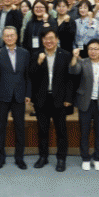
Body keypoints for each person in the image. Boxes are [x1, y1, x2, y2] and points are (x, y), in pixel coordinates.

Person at [29, 28, 73, 172]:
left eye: (51, 38)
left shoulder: (65, 55)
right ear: (42, 40)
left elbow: (70, 79)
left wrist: (68, 98)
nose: (49, 41)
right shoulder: (36, 55)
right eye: (46, 39)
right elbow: (31, 76)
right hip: (42, 99)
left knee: (61, 131)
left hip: (60, 99)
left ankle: (61, 159)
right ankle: (43, 157)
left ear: (57, 39)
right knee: (42, 130)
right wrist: (39, 62)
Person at [70, 39, 99, 171]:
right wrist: (74, 57)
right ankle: (85, 158)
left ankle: (97, 158)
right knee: (84, 132)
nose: (93, 51)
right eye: (90, 49)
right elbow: (73, 71)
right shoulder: (82, 62)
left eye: (96, 49)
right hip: (85, 102)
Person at [0, 26, 31, 170]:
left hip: (19, 95)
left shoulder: (24, 53)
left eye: (12, 35)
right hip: (3, 95)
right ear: (3, 38)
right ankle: (0, 158)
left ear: (16, 36)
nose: (9, 38)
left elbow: (28, 75)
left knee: (20, 128)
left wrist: (28, 94)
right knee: (0, 128)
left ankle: (19, 158)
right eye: (6, 36)